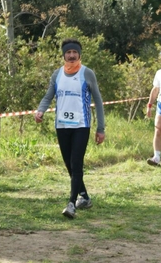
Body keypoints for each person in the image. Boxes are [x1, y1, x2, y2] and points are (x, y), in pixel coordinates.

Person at [35, 38, 105, 218]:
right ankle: (85, 197)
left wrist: (101, 128)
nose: (72, 55)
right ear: (64, 55)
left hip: (81, 125)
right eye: (68, 52)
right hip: (62, 126)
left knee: (76, 163)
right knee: (69, 165)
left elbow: (98, 100)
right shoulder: (56, 74)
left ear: (79, 54)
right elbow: (48, 96)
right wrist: (40, 111)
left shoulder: (87, 73)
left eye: (75, 52)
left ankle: (71, 204)